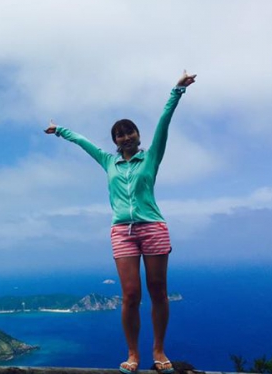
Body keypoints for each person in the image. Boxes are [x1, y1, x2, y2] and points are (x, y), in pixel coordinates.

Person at [44, 71, 196, 374]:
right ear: (115, 140)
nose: (126, 137)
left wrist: (176, 91)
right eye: (120, 133)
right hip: (122, 232)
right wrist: (59, 129)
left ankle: (159, 351)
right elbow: (82, 141)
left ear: (138, 136)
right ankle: (132, 354)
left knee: (158, 292)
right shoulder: (107, 161)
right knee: (129, 294)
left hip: (152, 227)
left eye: (130, 132)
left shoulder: (151, 157)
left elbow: (164, 122)